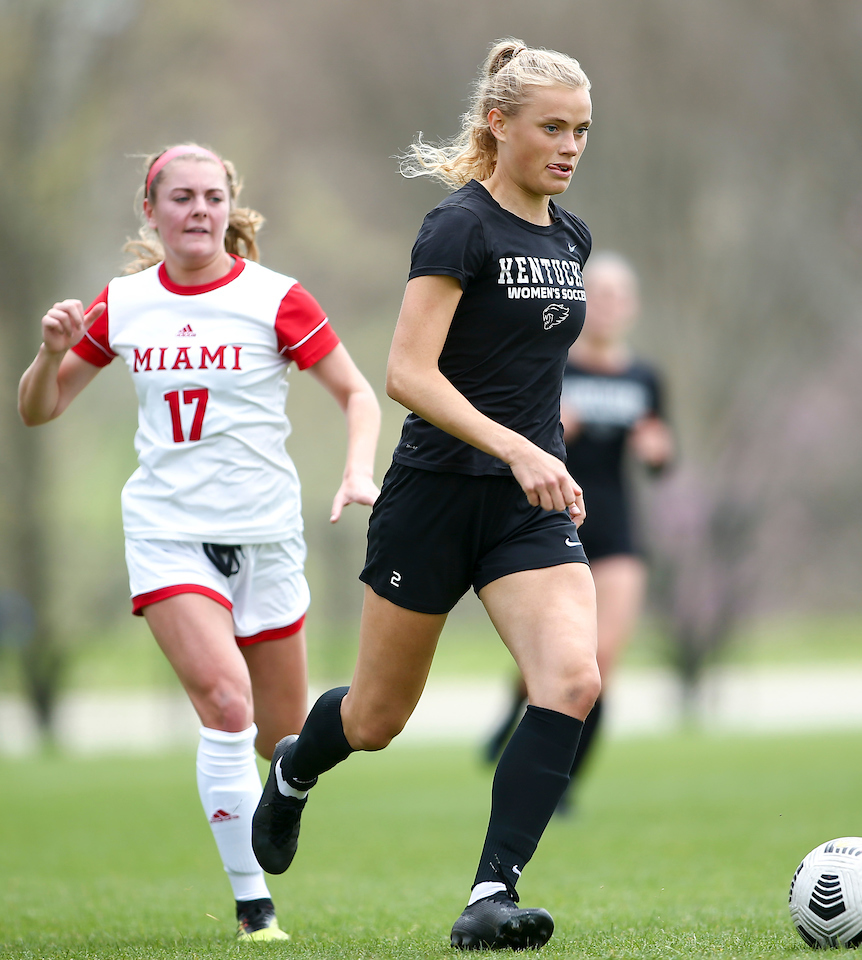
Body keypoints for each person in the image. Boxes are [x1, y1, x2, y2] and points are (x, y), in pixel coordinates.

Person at [250, 39, 597, 951]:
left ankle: (491, 894)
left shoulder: (571, 238)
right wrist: (518, 447)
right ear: (499, 123)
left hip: (526, 505)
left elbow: (527, 367)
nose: (569, 146)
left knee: (572, 679)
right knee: (374, 719)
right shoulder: (459, 227)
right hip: (437, 495)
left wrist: (548, 458)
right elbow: (408, 372)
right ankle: (293, 769)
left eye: (582, 130)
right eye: (551, 127)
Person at [17, 144, 381, 942]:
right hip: (168, 531)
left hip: (268, 536)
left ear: (229, 207)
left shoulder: (276, 299)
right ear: (151, 211)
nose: (198, 211)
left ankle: (285, 783)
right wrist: (48, 357)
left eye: (212, 197)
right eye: (180, 197)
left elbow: (357, 392)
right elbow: (39, 410)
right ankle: (256, 909)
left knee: (279, 739)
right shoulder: (121, 305)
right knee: (225, 703)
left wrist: (358, 470)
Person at [484, 251, 673, 806]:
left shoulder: (645, 378)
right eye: (601, 295)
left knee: (599, 663)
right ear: (582, 302)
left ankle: (559, 783)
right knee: (553, 659)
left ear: (632, 308)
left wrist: (659, 453)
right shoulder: (555, 363)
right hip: (552, 521)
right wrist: (556, 431)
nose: (610, 307)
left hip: (615, 532)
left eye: (620, 297)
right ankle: (513, 712)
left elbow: (661, 455)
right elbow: (517, 438)